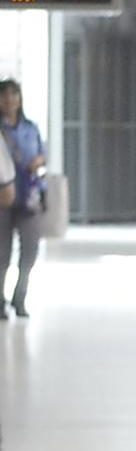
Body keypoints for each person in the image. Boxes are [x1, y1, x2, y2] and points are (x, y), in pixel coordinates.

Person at [0, 79, 42, 319]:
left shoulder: (30, 128)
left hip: (27, 196)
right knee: (2, 252)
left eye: (13, 95)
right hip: (2, 198)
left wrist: (38, 161)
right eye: (4, 95)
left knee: (30, 250)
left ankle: (20, 297)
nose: (9, 100)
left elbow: (41, 154)